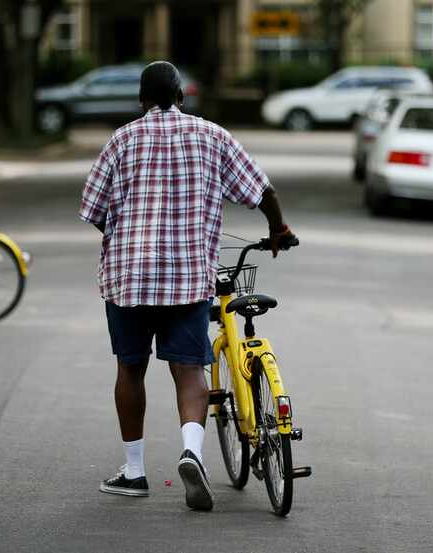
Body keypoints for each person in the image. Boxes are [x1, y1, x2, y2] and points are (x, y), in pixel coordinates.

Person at [79, 61, 293, 511]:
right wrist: (278, 229)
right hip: (188, 278)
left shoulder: (121, 140)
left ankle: (134, 473)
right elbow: (262, 190)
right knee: (189, 371)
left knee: (130, 369)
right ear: (181, 97)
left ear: (140, 101)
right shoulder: (212, 136)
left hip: (129, 279)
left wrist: (128, 240)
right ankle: (192, 451)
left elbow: (94, 210)